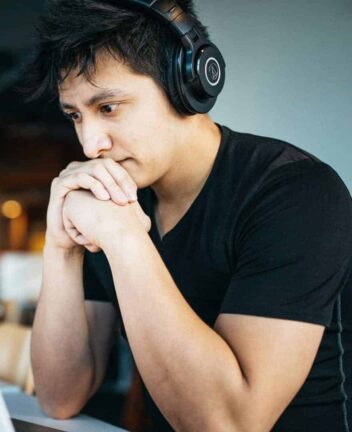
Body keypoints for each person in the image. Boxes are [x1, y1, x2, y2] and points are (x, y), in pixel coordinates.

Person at [23, 0, 352, 430]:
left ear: (188, 84)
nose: (90, 144)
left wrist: (125, 239)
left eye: (108, 108)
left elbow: (230, 424)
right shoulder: (115, 198)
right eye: (74, 115)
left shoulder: (296, 194)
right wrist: (61, 246)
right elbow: (60, 396)